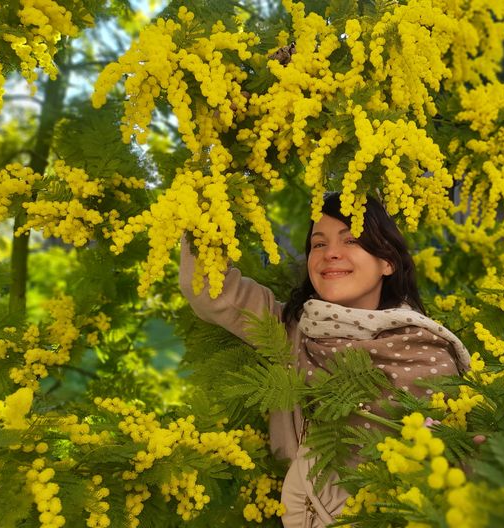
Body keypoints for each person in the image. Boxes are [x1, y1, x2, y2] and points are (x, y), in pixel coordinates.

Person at [179, 192, 470, 527]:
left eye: (351, 240)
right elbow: (205, 286)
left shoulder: (427, 354)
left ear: (387, 261)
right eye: (319, 244)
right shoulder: (289, 333)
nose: (331, 253)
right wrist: (209, 192)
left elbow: (451, 478)